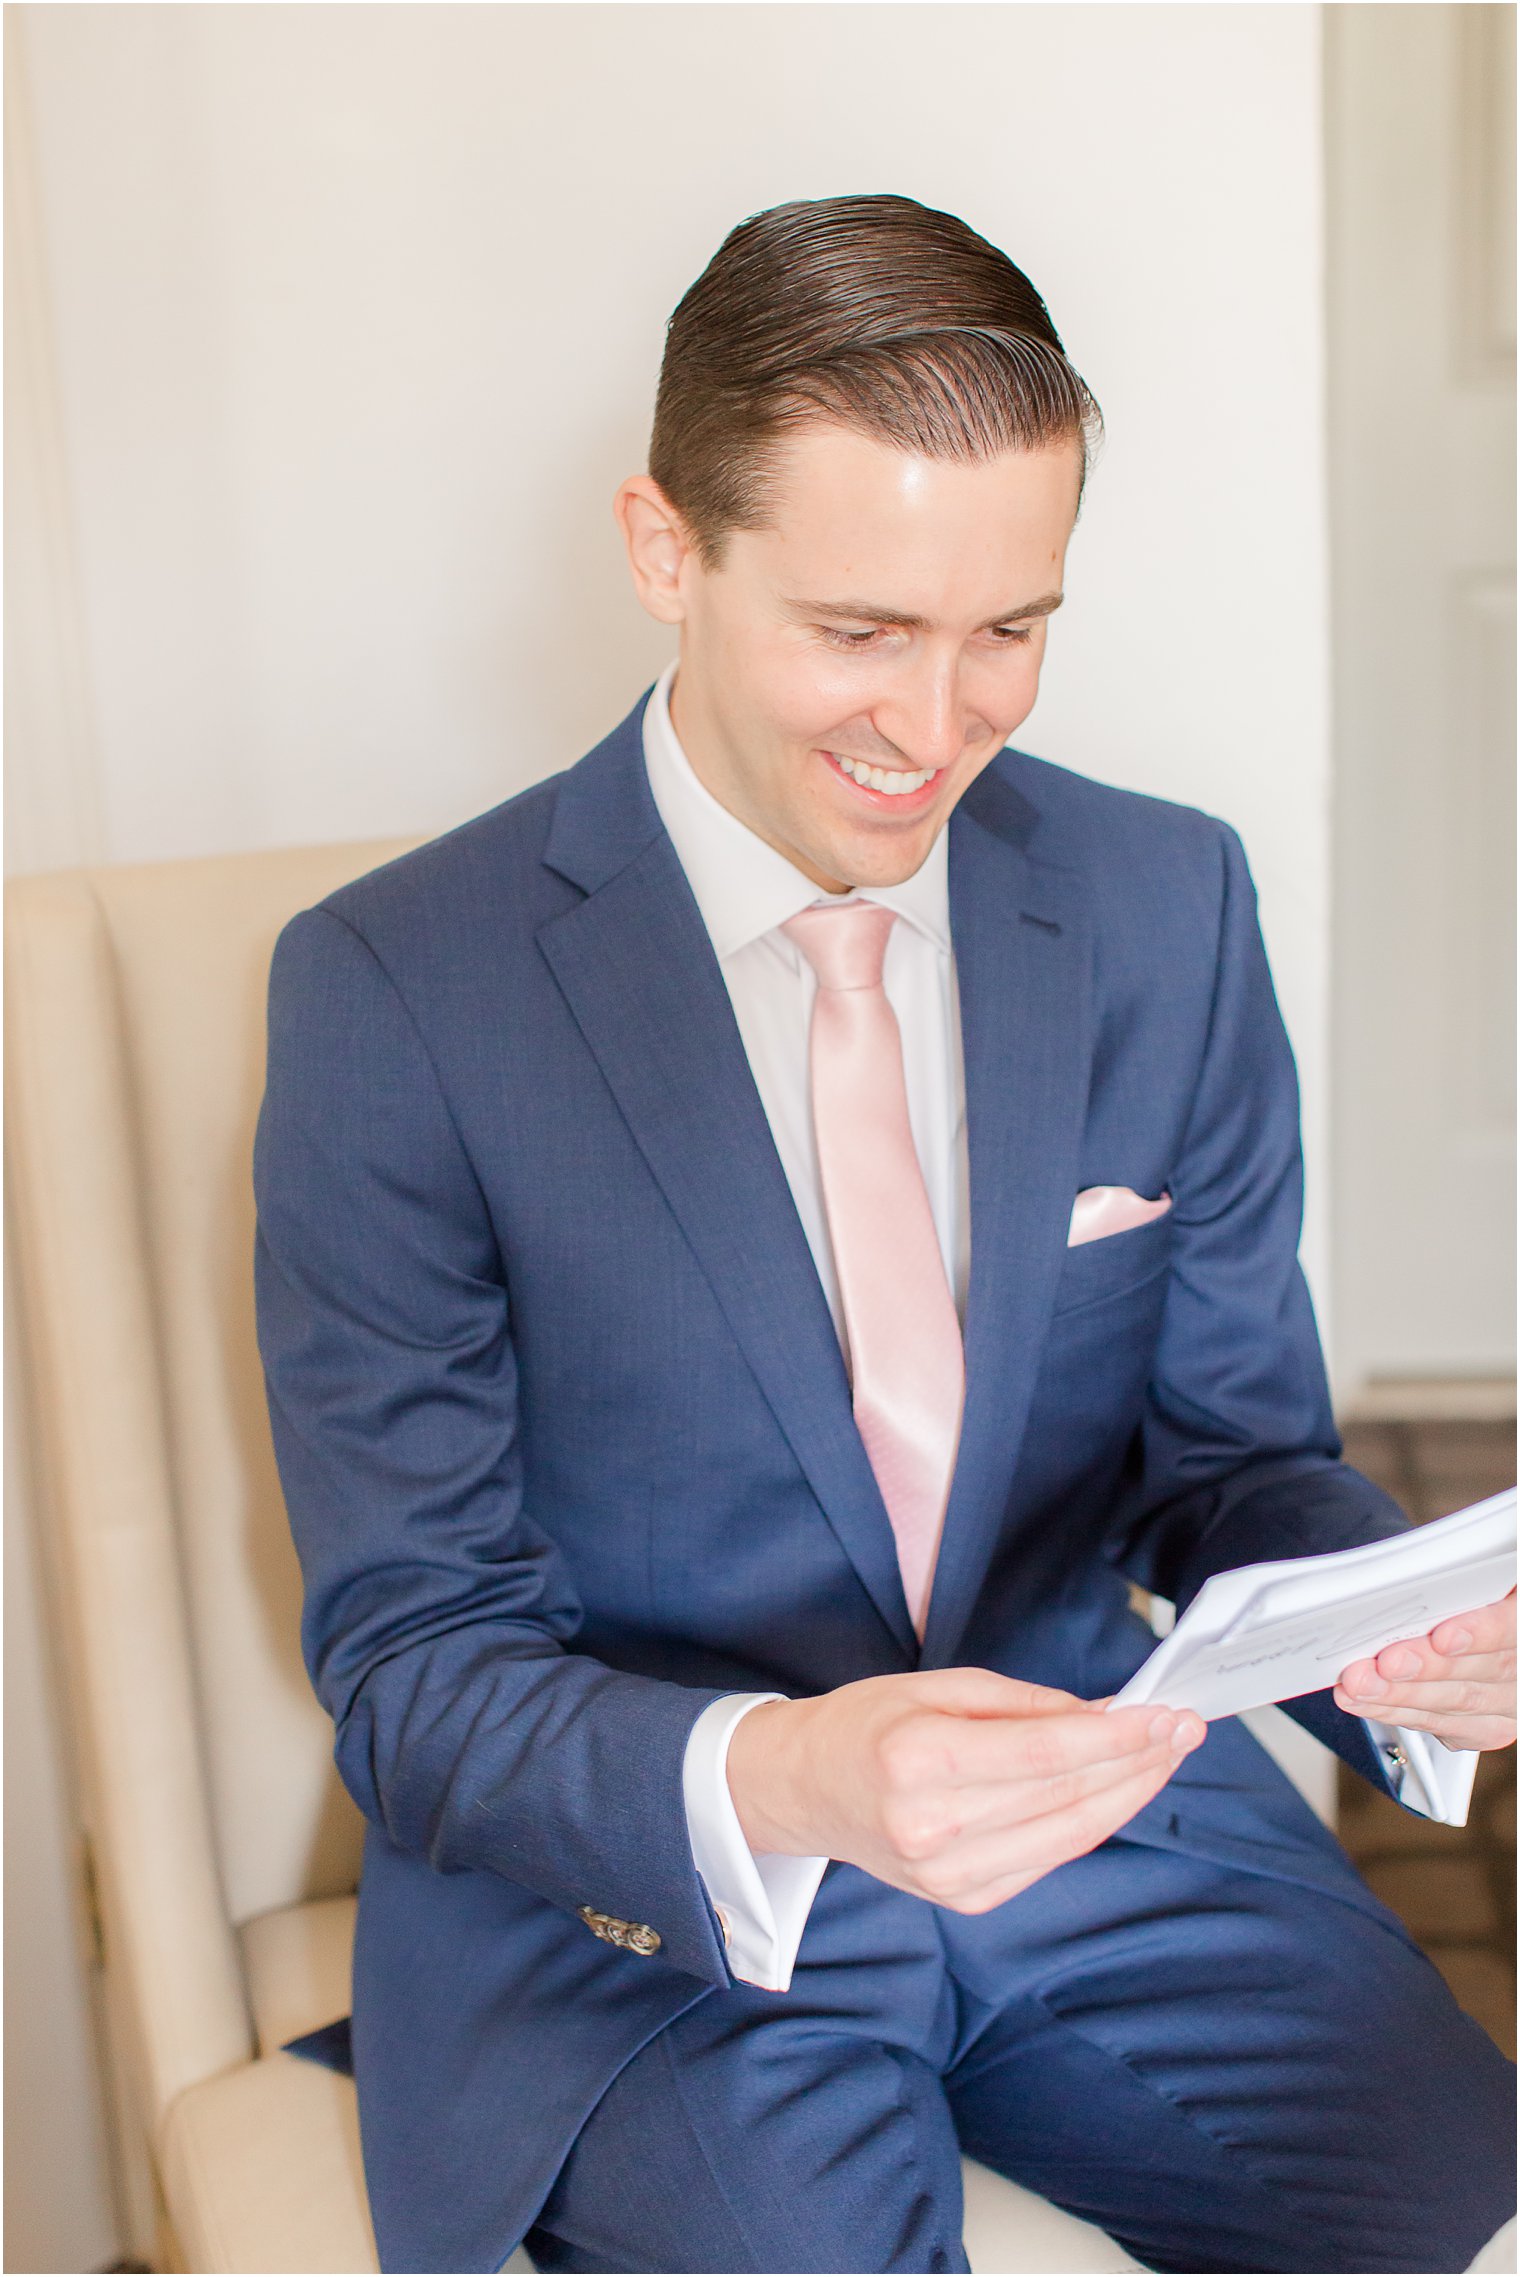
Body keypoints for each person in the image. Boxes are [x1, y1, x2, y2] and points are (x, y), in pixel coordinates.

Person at [254, 196, 1516, 2277]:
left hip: (1111, 1819)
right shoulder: (395, 992)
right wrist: (802, 1771)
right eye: (858, 629)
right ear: (666, 547)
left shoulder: (1162, 904)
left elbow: (1225, 1458)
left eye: (1008, 627)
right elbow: (412, 1666)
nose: (935, 728)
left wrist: (1381, 1632)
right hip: (648, 1914)